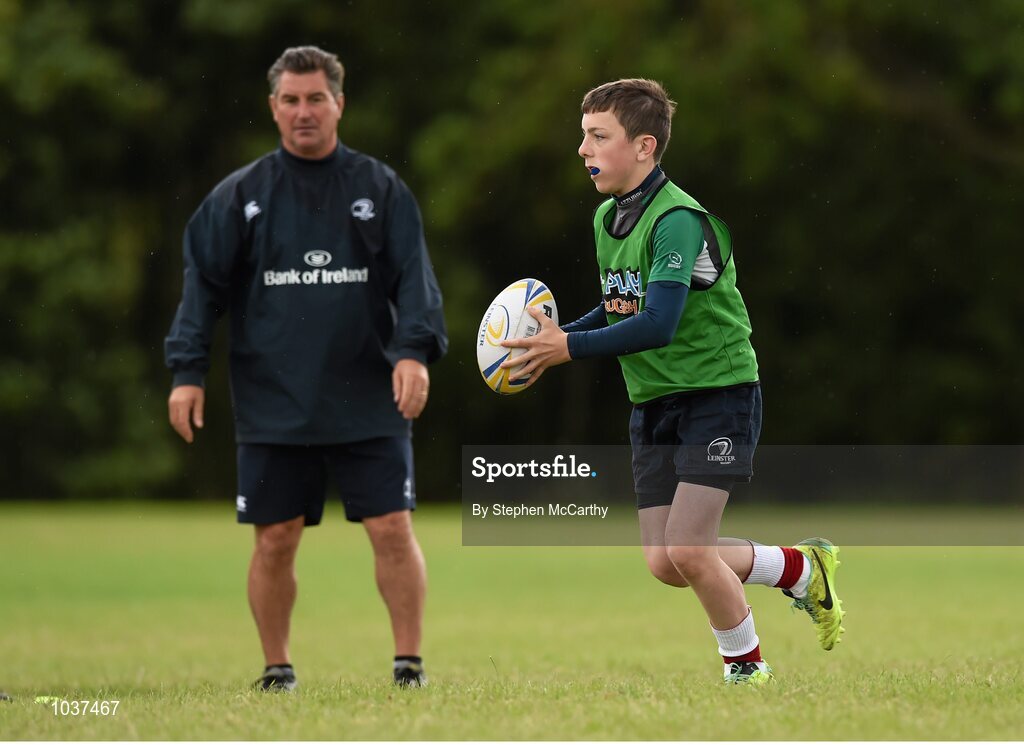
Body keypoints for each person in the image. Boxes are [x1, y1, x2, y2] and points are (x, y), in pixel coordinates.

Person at [500, 79, 845, 684]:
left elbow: (658, 324)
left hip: (718, 395)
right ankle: (798, 568)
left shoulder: (678, 220)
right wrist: (546, 343)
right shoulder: (608, 216)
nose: (583, 149)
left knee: (689, 549)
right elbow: (621, 309)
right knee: (665, 561)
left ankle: (748, 669)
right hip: (653, 401)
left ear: (644, 146)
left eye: (598, 137)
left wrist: (567, 349)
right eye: (583, 136)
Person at [165, 46, 446, 691]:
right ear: (272, 108)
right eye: (290, 100)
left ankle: (409, 665)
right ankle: (277, 669)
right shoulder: (239, 197)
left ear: (339, 103)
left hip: (369, 394)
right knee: (275, 540)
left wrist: (412, 351)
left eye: (315, 98)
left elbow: (415, 282)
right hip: (273, 399)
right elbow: (201, 288)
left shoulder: (380, 189)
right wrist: (186, 370)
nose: (303, 112)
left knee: (392, 530)